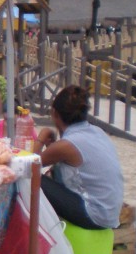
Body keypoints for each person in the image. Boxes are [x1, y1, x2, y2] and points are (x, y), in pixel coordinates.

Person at [34, 85, 124, 230]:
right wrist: (53, 146)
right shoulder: (97, 131)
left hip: (95, 215)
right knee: (51, 174)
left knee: (33, 179)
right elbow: (73, 161)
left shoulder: (66, 145)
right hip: (110, 212)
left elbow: (30, 166)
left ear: (55, 113)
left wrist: (41, 138)